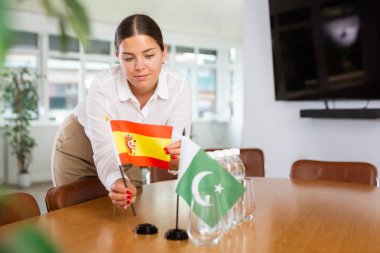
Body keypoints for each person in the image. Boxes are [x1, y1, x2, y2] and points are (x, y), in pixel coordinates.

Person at [51, 14, 192, 210]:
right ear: (117, 55)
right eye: (128, 58)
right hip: (80, 143)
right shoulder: (102, 86)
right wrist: (116, 180)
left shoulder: (179, 86)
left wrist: (177, 158)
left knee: (131, 208)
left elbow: (176, 148)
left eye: (149, 55)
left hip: (131, 146)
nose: (139, 66)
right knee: (78, 216)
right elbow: (106, 150)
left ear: (164, 52)